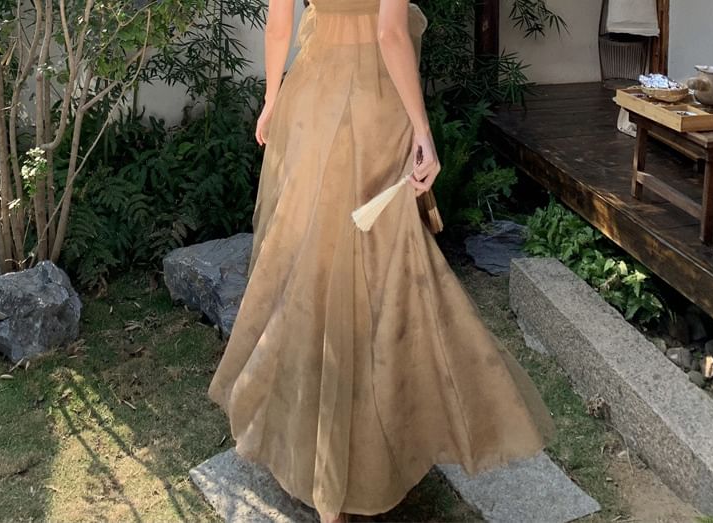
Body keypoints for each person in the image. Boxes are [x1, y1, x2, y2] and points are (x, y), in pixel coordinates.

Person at [206, 1, 557, 521]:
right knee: (382, 271)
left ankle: (314, 451)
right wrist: (423, 130)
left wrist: (272, 100)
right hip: (374, 106)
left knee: (307, 266)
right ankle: (371, 451)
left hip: (313, 99)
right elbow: (391, 34)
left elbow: (279, 25)